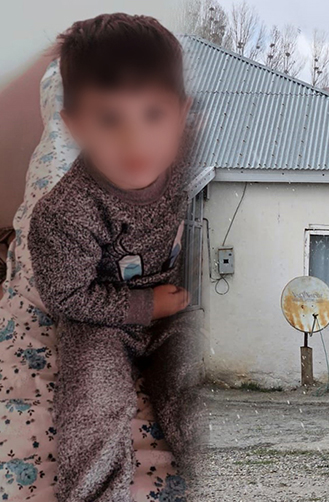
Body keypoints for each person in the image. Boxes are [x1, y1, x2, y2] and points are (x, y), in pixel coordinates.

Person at [27, 14, 201, 502]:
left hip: (177, 314)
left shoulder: (192, 164)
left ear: (181, 114)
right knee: (91, 402)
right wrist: (147, 306)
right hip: (98, 321)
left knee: (195, 390)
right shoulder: (63, 213)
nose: (134, 141)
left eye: (153, 115)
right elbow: (67, 297)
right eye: (108, 120)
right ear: (74, 126)